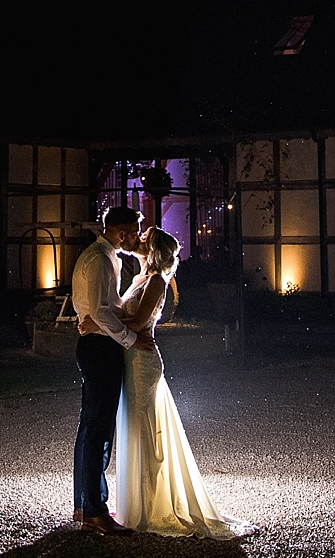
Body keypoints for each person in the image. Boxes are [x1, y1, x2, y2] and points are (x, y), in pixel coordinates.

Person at [107, 227, 253, 539]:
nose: (138, 239)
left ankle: (149, 507)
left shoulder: (157, 281)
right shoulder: (139, 279)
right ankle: (137, 503)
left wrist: (98, 319)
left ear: (154, 250)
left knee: (144, 430)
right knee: (136, 428)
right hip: (131, 357)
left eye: (144, 238)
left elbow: (136, 321)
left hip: (142, 361)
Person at [68, 206, 149, 535]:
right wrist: (131, 338)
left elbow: (102, 305)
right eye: (133, 231)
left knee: (90, 427)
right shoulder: (101, 259)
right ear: (120, 232)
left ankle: (84, 505)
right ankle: (95, 512)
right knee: (99, 430)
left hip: (95, 344)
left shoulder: (100, 256)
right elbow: (102, 310)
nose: (136, 237)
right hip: (100, 349)